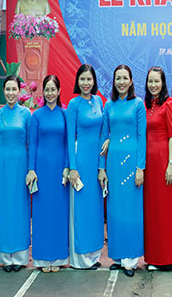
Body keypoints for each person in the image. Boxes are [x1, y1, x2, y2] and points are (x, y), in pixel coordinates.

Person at [100, 65, 146, 277]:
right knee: (115, 210)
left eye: (125, 78)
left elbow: (142, 137)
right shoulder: (108, 105)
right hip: (113, 162)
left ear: (131, 81)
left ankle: (131, 259)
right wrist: (101, 167)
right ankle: (118, 257)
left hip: (132, 161)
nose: (121, 82)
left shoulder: (138, 104)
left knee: (131, 210)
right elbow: (104, 136)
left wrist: (140, 167)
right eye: (118, 78)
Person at [0, 76, 31, 272]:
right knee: (4, 209)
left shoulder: (26, 114)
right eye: (8, 89)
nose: (11, 93)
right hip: (3, 166)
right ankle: (5, 257)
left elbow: (31, 143)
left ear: (19, 91)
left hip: (21, 166)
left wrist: (31, 169)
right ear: (3, 91)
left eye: (14, 89)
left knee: (20, 209)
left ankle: (20, 257)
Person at [28, 75, 69, 273]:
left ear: (59, 91)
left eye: (53, 89)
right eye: (47, 89)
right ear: (43, 92)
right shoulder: (36, 116)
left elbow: (68, 143)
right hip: (42, 169)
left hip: (60, 168)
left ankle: (59, 257)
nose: (50, 93)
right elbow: (32, 144)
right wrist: (31, 169)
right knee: (42, 212)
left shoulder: (65, 115)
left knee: (59, 212)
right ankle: (43, 258)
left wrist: (68, 166)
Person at [66, 64, 104, 269]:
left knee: (95, 209)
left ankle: (94, 255)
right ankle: (80, 258)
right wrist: (72, 167)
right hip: (80, 161)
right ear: (77, 81)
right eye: (82, 79)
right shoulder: (74, 104)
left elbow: (104, 131)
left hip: (96, 161)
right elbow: (69, 137)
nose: (86, 83)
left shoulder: (98, 101)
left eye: (89, 79)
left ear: (94, 81)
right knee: (81, 209)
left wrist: (102, 165)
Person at [143, 66, 172, 271]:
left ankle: (166, 258)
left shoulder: (169, 103)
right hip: (148, 164)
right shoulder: (146, 104)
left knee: (164, 209)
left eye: (157, 81)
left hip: (163, 160)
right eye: (150, 81)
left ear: (163, 83)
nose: (153, 85)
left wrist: (170, 164)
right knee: (151, 210)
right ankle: (153, 257)